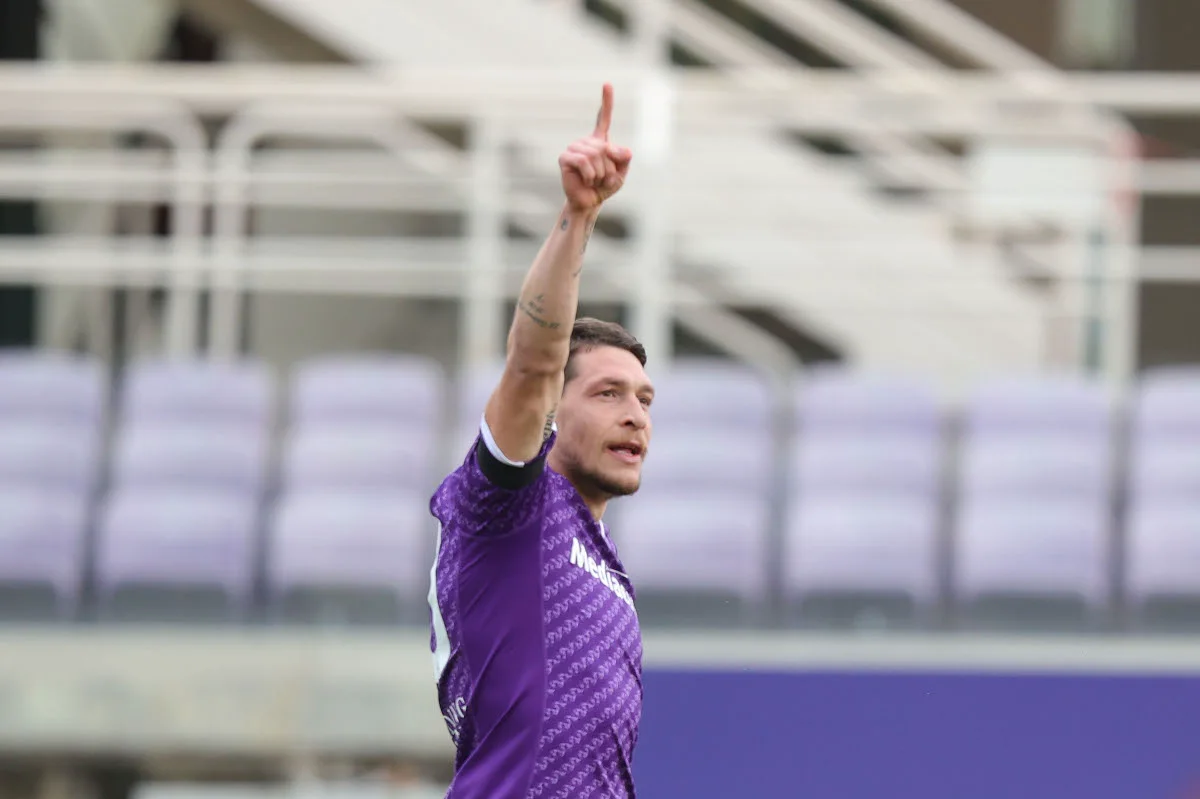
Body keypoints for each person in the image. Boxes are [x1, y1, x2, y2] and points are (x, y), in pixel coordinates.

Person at [427, 84, 650, 799]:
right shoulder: (512, 510)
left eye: (645, 399)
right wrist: (578, 218)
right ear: (556, 408)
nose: (636, 414)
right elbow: (530, 366)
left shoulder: (606, 566)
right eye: (608, 393)